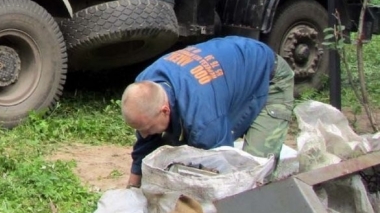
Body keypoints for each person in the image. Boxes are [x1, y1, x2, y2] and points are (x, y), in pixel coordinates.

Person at [121, 36, 294, 188]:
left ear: (165, 110)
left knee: (253, 173)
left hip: (269, 76)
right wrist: (133, 186)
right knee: (179, 149)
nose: (144, 135)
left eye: (147, 129)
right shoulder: (146, 85)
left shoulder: (204, 120)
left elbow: (224, 172)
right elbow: (146, 144)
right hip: (231, 70)